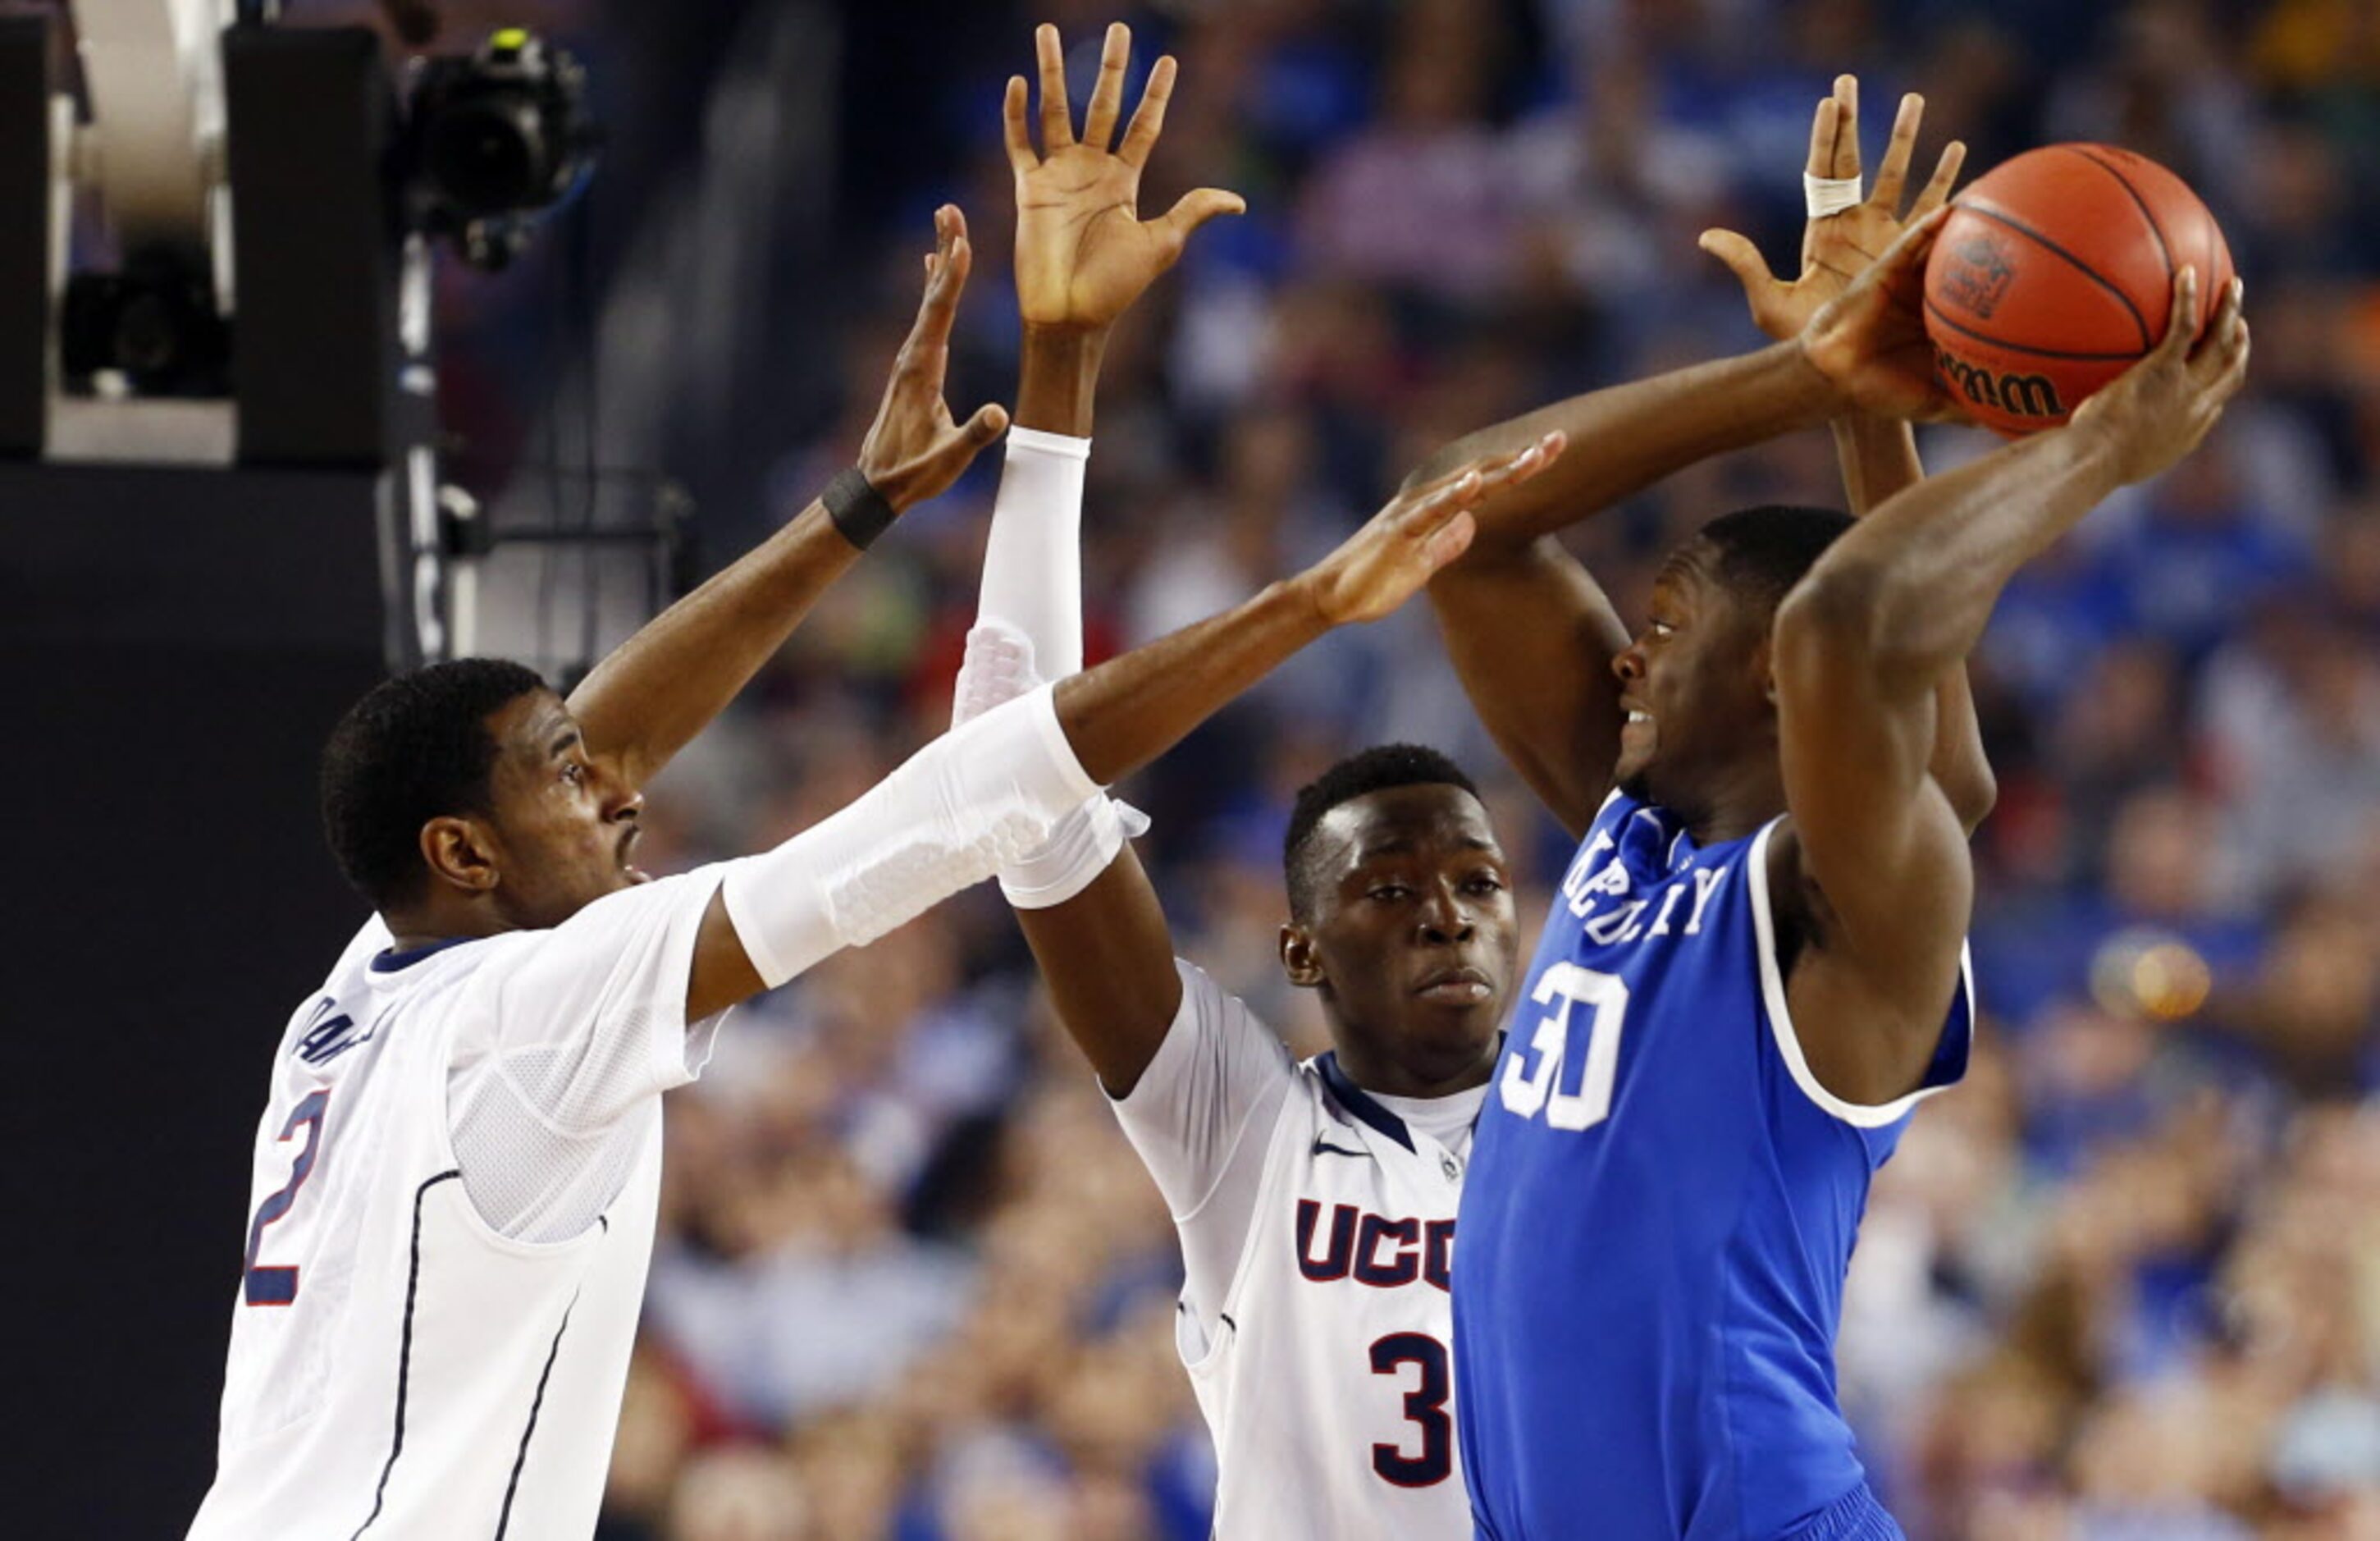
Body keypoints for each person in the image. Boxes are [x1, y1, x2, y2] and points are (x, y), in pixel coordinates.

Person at [185, 163, 1551, 1540]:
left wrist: (856, 505)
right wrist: (1313, 600)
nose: (617, 799)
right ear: (465, 852)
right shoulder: (530, 1005)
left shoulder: (365, 985)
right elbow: (975, 793)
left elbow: (607, 738)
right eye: (562, 784)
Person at [1417, 77, 2251, 1539]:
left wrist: (2096, 450)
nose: (1625, 648)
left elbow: (1859, 641)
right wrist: (1818, 382)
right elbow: (1454, 518)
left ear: (1768, 687)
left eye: (1666, 623)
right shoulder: (1633, 831)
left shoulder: (1839, 907)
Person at [947, 25, 1524, 1538]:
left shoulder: (1597, 1122)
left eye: (1473, 883)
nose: (1445, 916)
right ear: (1298, 950)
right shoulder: (1242, 1129)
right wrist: (1062, 363)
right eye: (1388, 891)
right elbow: (1020, 776)